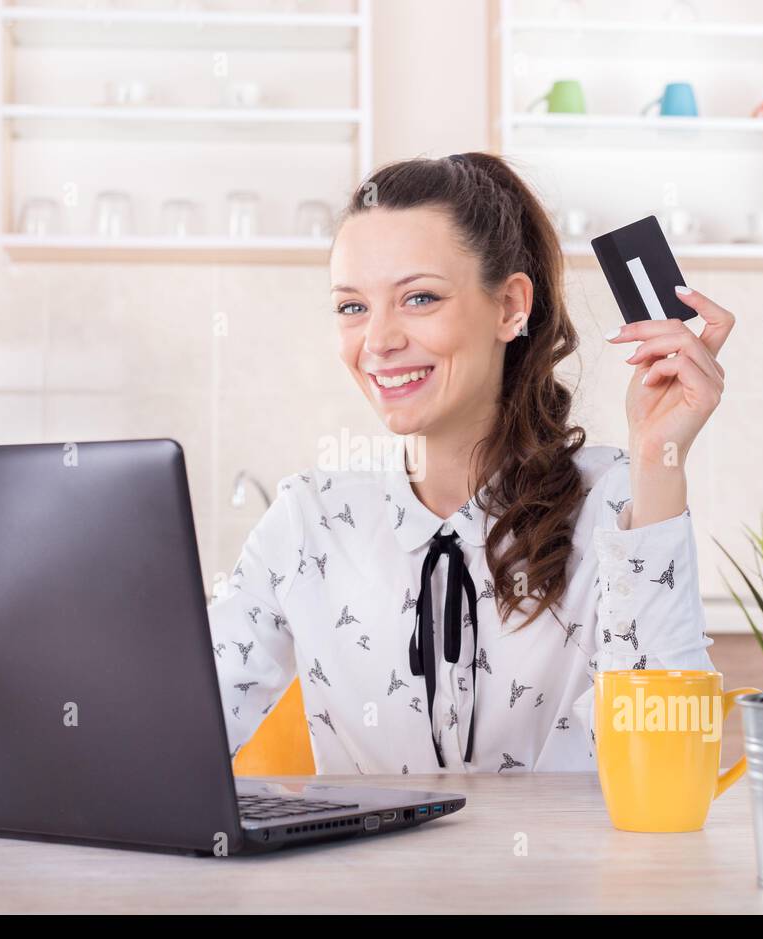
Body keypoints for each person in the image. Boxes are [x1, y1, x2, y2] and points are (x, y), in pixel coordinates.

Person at [208, 151, 733, 774]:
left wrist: (658, 461)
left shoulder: (617, 501)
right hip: (367, 876)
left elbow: (672, 768)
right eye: (352, 307)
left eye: (419, 298)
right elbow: (178, 736)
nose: (378, 341)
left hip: (568, 875)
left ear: (511, 305)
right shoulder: (308, 520)